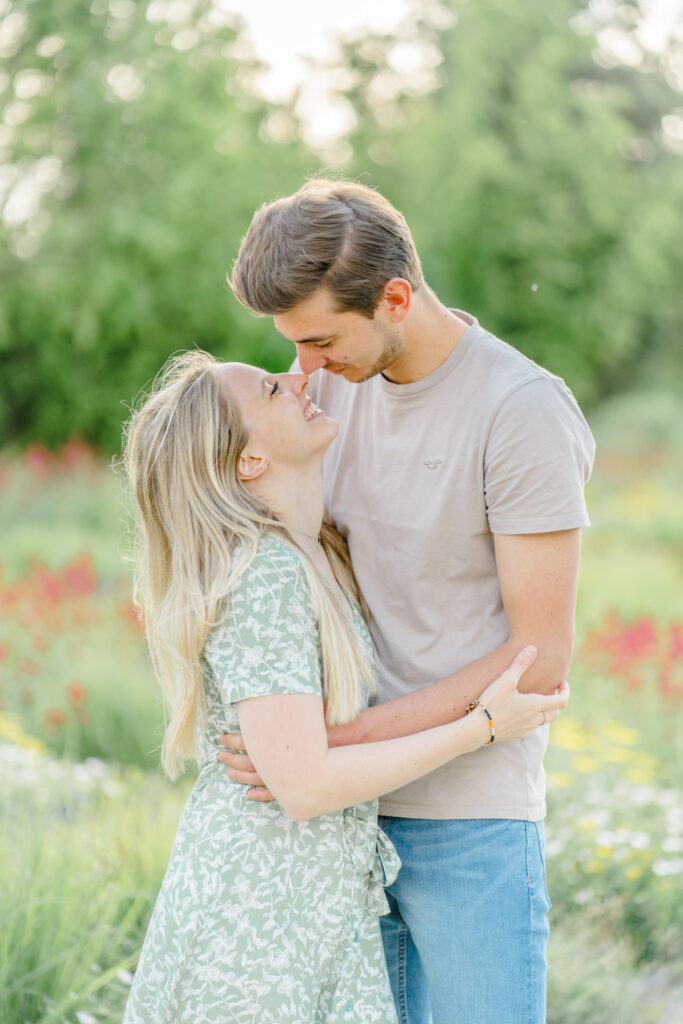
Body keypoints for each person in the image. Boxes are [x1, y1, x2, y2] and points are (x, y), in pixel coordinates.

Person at [221, 178, 596, 1024]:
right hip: (333, 825)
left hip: (467, 819)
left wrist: (333, 744)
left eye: (319, 339)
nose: (302, 369)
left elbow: (537, 662)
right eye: (291, 346)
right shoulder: (322, 398)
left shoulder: (520, 411)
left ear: (395, 297)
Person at [120, 350, 569, 1024]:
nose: (298, 377)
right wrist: (479, 727)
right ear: (248, 463)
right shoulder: (266, 573)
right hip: (258, 916)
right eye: (272, 389)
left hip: (301, 905)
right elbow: (303, 785)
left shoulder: (310, 553)